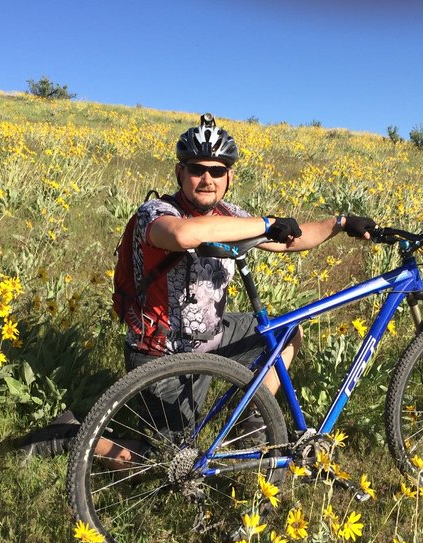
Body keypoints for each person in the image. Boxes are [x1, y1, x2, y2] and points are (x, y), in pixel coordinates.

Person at [19, 113, 376, 460]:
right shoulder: (156, 211)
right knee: (166, 462)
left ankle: (252, 421)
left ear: (229, 176)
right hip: (162, 354)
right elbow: (184, 235)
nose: (207, 178)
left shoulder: (232, 216)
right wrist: (266, 222)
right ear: (180, 172)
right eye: (196, 169)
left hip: (213, 338)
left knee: (286, 333)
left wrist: (340, 222)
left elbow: (291, 240)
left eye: (217, 171)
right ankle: (69, 434)